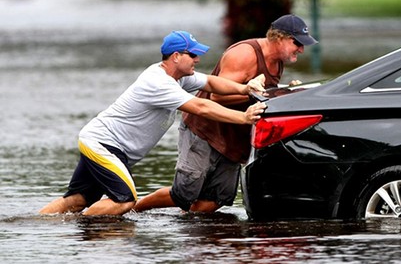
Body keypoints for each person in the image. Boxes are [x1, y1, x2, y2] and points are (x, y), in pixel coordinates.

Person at [40, 30, 267, 216]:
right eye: (193, 55)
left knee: (77, 200)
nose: (198, 59)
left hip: (104, 143)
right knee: (125, 201)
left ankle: (38, 225)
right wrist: (243, 117)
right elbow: (201, 107)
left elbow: (211, 83)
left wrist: (244, 88)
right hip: (102, 144)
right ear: (176, 56)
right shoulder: (159, 83)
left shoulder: (178, 77)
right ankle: (81, 232)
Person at [134, 14, 317, 214]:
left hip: (233, 135)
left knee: (216, 199)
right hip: (205, 130)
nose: (301, 49)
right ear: (279, 38)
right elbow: (217, 97)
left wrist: (285, 91)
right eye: (297, 43)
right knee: (184, 193)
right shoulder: (244, 54)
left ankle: (187, 232)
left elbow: (262, 94)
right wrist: (262, 94)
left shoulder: (278, 60)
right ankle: (135, 209)